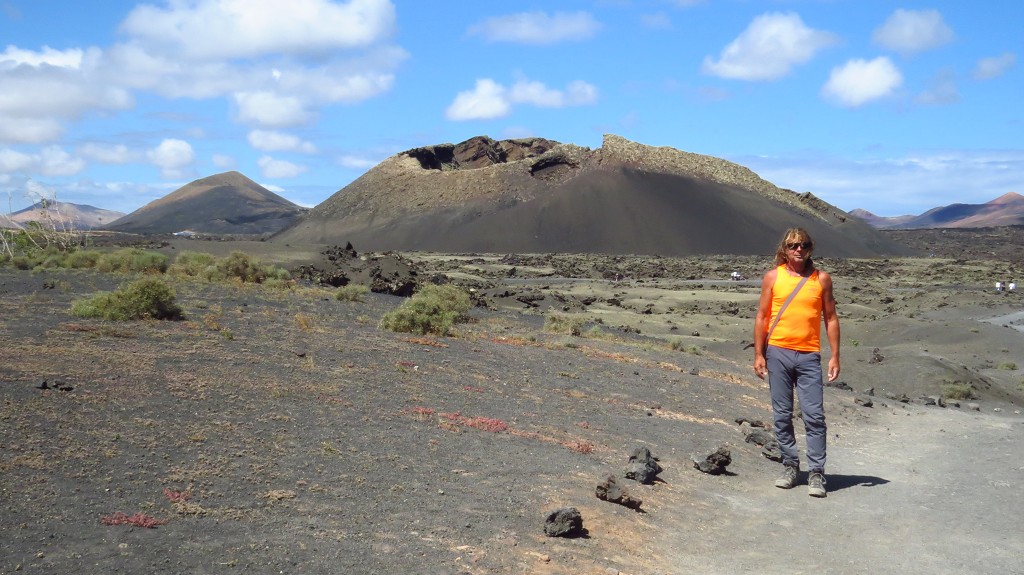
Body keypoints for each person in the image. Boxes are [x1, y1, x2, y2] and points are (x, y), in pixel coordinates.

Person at [753, 228, 840, 498]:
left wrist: (835, 355)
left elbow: (831, 318)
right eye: (792, 246)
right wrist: (759, 354)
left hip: (809, 355)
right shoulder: (772, 277)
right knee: (782, 415)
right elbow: (762, 317)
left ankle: (816, 472)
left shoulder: (821, 279)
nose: (798, 250)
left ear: (810, 248)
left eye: (803, 245)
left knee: (814, 416)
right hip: (778, 353)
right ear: (785, 249)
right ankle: (790, 465)